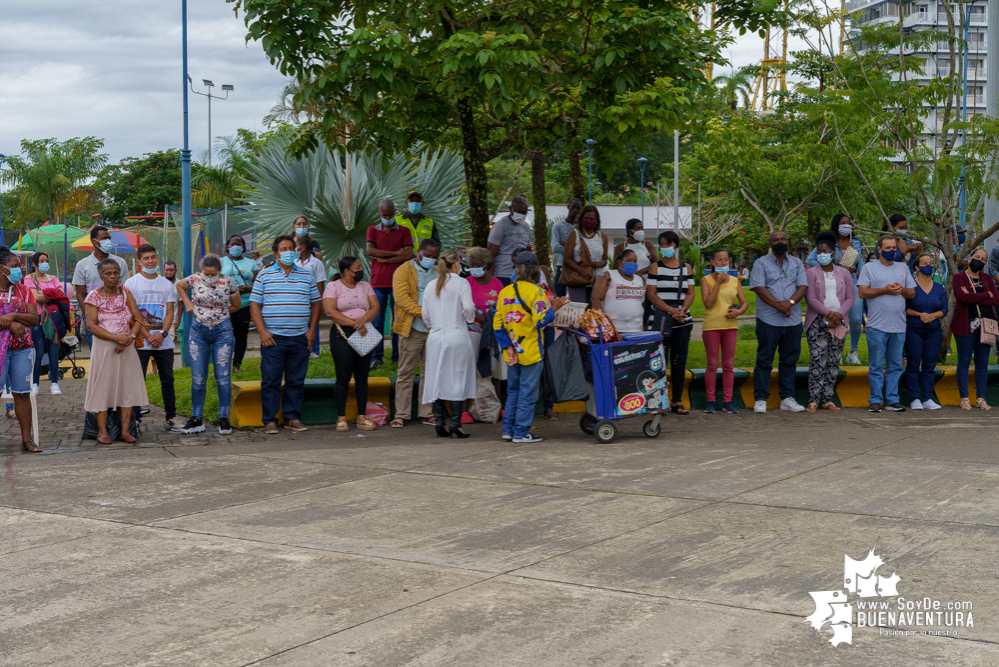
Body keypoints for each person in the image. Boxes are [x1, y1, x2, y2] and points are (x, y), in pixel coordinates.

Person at [493, 251, 569, 443]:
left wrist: (508, 347)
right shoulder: (537, 293)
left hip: (512, 353)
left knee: (513, 392)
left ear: (516, 269)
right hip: (532, 351)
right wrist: (553, 308)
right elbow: (541, 321)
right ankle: (520, 433)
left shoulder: (505, 291)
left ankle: (508, 430)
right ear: (536, 271)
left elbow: (497, 325)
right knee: (527, 393)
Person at [250, 235, 322, 434]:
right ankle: (270, 421)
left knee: (296, 381)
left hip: (300, 337)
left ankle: (292, 417)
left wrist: (312, 330)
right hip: (273, 338)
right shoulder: (265, 275)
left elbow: (317, 303)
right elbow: (255, 305)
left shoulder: (307, 275)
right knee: (271, 380)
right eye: (284, 249)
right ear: (275, 253)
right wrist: (263, 332)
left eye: (292, 248)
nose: (289, 252)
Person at [83, 258, 149, 445]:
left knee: (127, 387)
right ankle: (102, 432)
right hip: (105, 348)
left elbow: (138, 319)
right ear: (101, 276)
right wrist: (116, 338)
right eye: (108, 273)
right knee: (103, 387)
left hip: (126, 347)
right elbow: (91, 326)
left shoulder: (126, 292)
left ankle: (125, 431)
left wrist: (127, 338)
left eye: (115, 273)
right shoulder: (93, 296)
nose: (112, 277)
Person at [175, 255, 241, 434]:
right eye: (207, 273)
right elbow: (179, 285)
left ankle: (223, 418)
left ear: (220, 271)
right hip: (198, 332)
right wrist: (188, 304)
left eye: (214, 274)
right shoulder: (194, 279)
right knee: (197, 378)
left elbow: (236, 305)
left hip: (223, 331)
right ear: (201, 269)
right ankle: (196, 419)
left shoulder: (229, 281)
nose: (210, 277)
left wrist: (218, 312)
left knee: (223, 378)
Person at [124, 244, 183, 431]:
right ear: (139, 262)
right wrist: (148, 335)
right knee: (137, 381)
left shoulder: (167, 284)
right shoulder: (131, 284)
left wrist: (162, 334)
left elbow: (169, 312)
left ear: (157, 258)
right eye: (146, 258)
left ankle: (171, 417)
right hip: (141, 341)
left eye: (153, 257)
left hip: (163, 342)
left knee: (168, 379)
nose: (151, 261)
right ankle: (134, 419)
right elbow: (133, 314)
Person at [750, 230, 808, 413]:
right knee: (764, 360)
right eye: (775, 240)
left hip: (792, 321)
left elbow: (802, 286)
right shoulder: (761, 263)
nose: (780, 242)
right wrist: (780, 306)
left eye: (783, 239)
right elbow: (759, 288)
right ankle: (760, 398)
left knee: (789, 360)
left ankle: (787, 398)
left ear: (788, 242)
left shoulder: (797, 262)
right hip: (768, 320)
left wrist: (789, 303)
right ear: (770, 244)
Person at [422, 249, 477, 438]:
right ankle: (455, 423)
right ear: (456, 264)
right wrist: (468, 319)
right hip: (457, 334)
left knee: (436, 376)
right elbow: (469, 307)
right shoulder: (461, 283)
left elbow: (425, 315)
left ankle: (439, 421)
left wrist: (434, 325)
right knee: (457, 379)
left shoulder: (431, 285)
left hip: (436, 337)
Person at [858, 235, 917, 412]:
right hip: (876, 326)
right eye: (888, 248)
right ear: (879, 249)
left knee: (896, 366)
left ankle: (892, 400)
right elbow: (862, 293)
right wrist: (884, 290)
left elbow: (912, 293)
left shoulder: (902, 267)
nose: (892, 251)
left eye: (894, 248)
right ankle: (875, 399)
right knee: (876, 365)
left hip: (899, 326)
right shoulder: (869, 268)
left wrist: (902, 289)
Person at [323, 256, 380, 432]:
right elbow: (330, 311)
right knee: (343, 375)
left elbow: (375, 307)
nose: (360, 270)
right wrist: (354, 323)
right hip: (343, 333)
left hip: (364, 331)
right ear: (346, 271)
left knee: (362, 376)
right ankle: (341, 417)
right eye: (357, 267)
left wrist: (363, 321)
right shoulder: (333, 286)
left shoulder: (365, 286)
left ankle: (361, 416)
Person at [390, 238, 440, 427]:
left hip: (433, 330)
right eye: (427, 255)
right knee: (405, 373)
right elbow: (401, 298)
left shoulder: (437, 271)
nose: (430, 259)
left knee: (430, 373)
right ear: (418, 252)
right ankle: (401, 414)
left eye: (434, 257)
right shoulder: (404, 270)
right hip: (412, 328)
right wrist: (424, 312)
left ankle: (426, 413)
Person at [804, 232, 856, 413]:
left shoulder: (844, 273)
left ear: (833, 253)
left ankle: (827, 399)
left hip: (840, 322)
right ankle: (813, 400)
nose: (822, 254)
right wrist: (829, 314)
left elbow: (850, 297)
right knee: (818, 360)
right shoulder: (811, 273)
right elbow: (810, 298)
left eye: (825, 251)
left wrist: (839, 315)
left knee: (833, 361)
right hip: (818, 321)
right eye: (819, 252)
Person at [647, 231, 695, 414]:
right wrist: (670, 310)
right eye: (662, 244)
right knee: (659, 361)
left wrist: (682, 309)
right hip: (661, 320)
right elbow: (651, 294)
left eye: (668, 243)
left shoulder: (686, 268)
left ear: (676, 245)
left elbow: (690, 292)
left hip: (682, 320)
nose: (665, 247)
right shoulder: (655, 268)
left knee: (679, 361)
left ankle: (677, 401)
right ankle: (658, 400)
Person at [807, 214, 865, 365]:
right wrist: (835, 270)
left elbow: (860, 264)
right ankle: (833, 350)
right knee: (834, 315)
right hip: (832, 280)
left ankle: (853, 352)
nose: (846, 225)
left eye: (848, 223)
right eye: (842, 223)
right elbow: (811, 259)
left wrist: (862, 277)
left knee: (857, 319)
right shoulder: (830, 242)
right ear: (836, 224)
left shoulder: (856, 242)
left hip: (852, 280)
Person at [366, 198, 415, 367]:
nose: (387, 217)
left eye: (390, 214)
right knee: (377, 322)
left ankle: (396, 356)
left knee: (398, 322)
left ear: (395, 212)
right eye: (384, 214)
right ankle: (376, 357)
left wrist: (384, 259)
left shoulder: (404, 230)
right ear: (379, 213)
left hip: (399, 283)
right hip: (377, 283)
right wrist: (396, 254)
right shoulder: (372, 230)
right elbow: (370, 250)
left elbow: (409, 254)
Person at [0, 251, 41, 451]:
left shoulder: (25, 291)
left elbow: (34, 319)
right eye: (15, 265)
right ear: (2, 268)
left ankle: (26, 439)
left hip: (22, 349)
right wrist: (10, 325)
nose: (20, 269)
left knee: (22, 394)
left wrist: (14, 315)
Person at [700, 248, 748, 414]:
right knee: (712, 364)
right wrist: (718, 283)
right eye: (719, 260)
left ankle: (728, 401)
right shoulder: (706, 280)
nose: (723, 263)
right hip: (712, 327)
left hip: (730, 327)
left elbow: (744, 303)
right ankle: (710, 400)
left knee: (728, 365)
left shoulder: (735, 281)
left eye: (726, 260)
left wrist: (739, 312)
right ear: (712, 262)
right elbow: (708, 303)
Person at [951, 247, 999, 410]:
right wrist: (987, 294)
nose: (980, 260)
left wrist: (975, 297)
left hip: (986, 325)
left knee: (982, 362)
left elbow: (996, 299)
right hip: (965, 324)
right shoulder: (959, 278)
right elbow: (963, 297)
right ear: (970, 259)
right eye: (977, 257)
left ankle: (981, 398)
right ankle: (964, 398)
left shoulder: (987, 278)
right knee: (964, 360)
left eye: (983, 259)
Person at [73, 226, 129, 350]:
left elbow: (125, 290)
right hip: (94, 319)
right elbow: (81, 294)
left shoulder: (120, 262)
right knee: (98, 355)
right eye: (104, 238)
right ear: (94, 241)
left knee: (119, 351)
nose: (107, 241)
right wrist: (89, 317)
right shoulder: (83, 265)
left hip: (117, 317)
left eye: (109, 238)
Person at [905, 253, 948, 410]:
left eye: (931, 263)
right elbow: (904, 308)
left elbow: (944, 309)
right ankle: (914, 398)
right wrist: (920, 315)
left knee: (929, 365)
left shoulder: (939, 287)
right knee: (913, 364)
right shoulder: (910, 287)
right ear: (917, 267)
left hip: (934, 330)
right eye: (924, 263)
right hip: (914, 329)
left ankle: (928, 398)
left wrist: (932, 316)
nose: (929, 265)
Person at [465, 246, 506, 396]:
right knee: (472, 371)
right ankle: (466, 410)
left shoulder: (497, 284)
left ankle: (496, 408)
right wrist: (478, 318)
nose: (474, 269)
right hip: (472, 333)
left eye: (478, 265)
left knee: (495, 372)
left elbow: (502, 307)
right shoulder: (466, 283)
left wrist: (487, 319)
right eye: (472, 266)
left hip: (493, 333)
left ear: (487, 265)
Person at [25, 252, 66, 396]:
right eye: (41, 260)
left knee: (54, 353)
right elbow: (35, 297)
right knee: (38, 353)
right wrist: (52, 294)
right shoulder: (29, 279)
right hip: (37, 319)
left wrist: (44, 294)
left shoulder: (53, 278)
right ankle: (35, 384)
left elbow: (61, 295)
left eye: (46, 260)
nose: (45, 263)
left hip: (53, 320)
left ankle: (54, 384)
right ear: (34, 263)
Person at [220, 234, 258, 372]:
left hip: (245, 304)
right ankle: (222, 365)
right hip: (226, 306)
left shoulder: (251, 263)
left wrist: (248, 288)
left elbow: (258, 283)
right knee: (224, 336)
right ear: (227, 247)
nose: (235, 246)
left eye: (238, 244)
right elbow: (213, 281)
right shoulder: (220, 262)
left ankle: (237, 364)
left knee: (241, 335)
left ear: (243, 247)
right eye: (232, 244)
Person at [561, 204, 611, 303]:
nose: (589, 221)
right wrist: (582, 271)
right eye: (586, 218)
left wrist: (600, 264)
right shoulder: (574, 234)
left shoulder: (602, 236)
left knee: (592, 310)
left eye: (592, 219)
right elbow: (566, 258)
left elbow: (605, 260)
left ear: (597, 220)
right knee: (578, 309)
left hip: (596, 279)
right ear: (581, 219)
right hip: (577, 278)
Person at [592, 249, 646, 333]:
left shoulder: (640, 280)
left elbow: (642, 304)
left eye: (635, 261)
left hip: (637, 330)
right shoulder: (608, 276)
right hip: (614, 331)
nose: (632, 263)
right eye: (628, 260)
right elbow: (595, 299)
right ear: (619, 262)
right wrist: (603, 325)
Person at [488, 194, 534, 287]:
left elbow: (528, 251)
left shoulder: (526, 227)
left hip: (521, 276)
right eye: (518, 211)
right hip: (503, 274)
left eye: (524, 212)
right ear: (511, 208)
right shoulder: (500, 226)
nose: (521, 215)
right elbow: (490, 255)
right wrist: (490, 280)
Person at [296, 234, 328, 358]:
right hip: (298, 299)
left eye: (296, 247)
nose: (294, 250)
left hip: (312, 298)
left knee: (313, 324)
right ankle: (301, 350)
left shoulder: (316, 263)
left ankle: (314, 350)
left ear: (303, 247)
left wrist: (320, 303)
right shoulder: (294, 262)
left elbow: (320, 283)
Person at [550, 198, 583, 298]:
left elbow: (585, 249)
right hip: (562, 268)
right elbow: (555, 248)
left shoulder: (581, 228)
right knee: (559, 299)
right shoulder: (558, 226)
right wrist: (575, 248)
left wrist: (566, 244)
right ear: (568, 207)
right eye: (573, 207)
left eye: (578, 208)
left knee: (577, 300)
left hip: (578, 269)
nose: (575, 210)